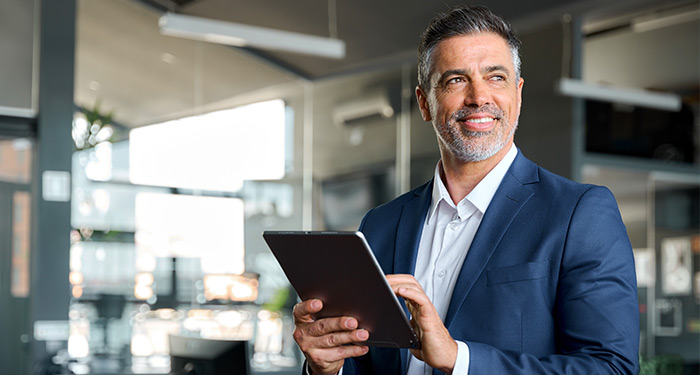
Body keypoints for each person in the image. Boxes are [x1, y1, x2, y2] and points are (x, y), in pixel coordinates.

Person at [292, 5, 639, 375]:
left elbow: (611, 367)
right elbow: (365, 363)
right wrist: (327, 367)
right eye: (456, 79)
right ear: (425, 103)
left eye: (496, 77)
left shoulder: (579, 213)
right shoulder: (380, 225)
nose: (478, 97)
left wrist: (461, 359)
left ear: (517, 94)